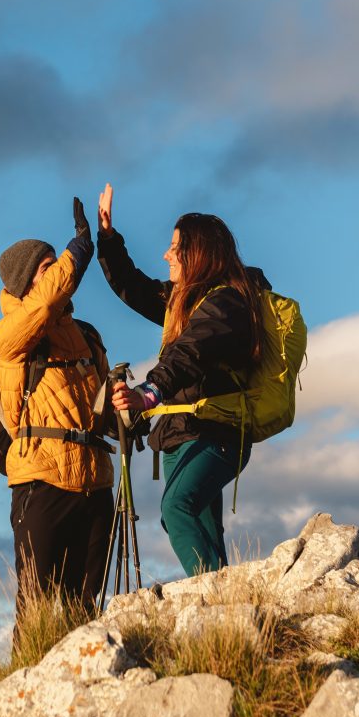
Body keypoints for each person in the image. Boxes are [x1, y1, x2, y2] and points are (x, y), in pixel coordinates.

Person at [95, 184, 267, 576]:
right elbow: (134, 287)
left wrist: (149, 393)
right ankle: (226, 614)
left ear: (198, 254)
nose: (166, 254)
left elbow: (188, 351)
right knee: (203, 528)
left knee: (176, 509)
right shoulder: (185, 301)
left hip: (215, 433)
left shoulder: (228, 304)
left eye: (175, 247)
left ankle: (213, 602)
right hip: (181, 434)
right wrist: (108, 239)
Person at [0, 198, 115, 618]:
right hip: (40, 484)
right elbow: (44, 304)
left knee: (86, 607)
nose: (60, 275)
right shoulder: (8, 338)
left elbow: (105, 415)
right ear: (25, 284)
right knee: (36, 609)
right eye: (48, 269)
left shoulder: (87, 335)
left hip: (95, 483)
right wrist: (77, 250)